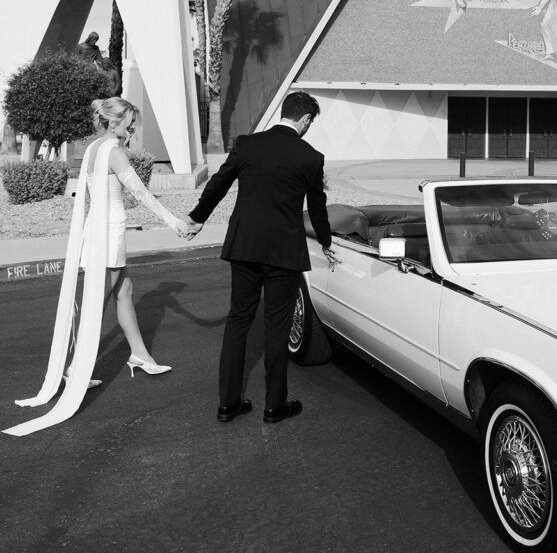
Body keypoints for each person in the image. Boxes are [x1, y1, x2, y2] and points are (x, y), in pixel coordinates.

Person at [4, 98, 192, 437]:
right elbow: (142, 194)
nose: (133, 128)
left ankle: (139, 354)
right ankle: (76, 368)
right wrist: (174, 222)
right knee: (100, 300)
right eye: (129, 122)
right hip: (110, 233)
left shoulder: (93, 149)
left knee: (124, 293)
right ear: (114, 122)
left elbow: (93, 195)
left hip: (100, 230)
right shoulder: (115, 152)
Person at [185, 91, 338, 425]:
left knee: (238, 319)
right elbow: (317, 207)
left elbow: (218, 184)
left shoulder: (247, 144)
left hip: (245, 246)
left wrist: (197, 218)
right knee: (276, 327)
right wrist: (326, 242)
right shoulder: (311, 157)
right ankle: (274, 406)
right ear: (306, 119)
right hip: (284, 251)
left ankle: (228, 404)